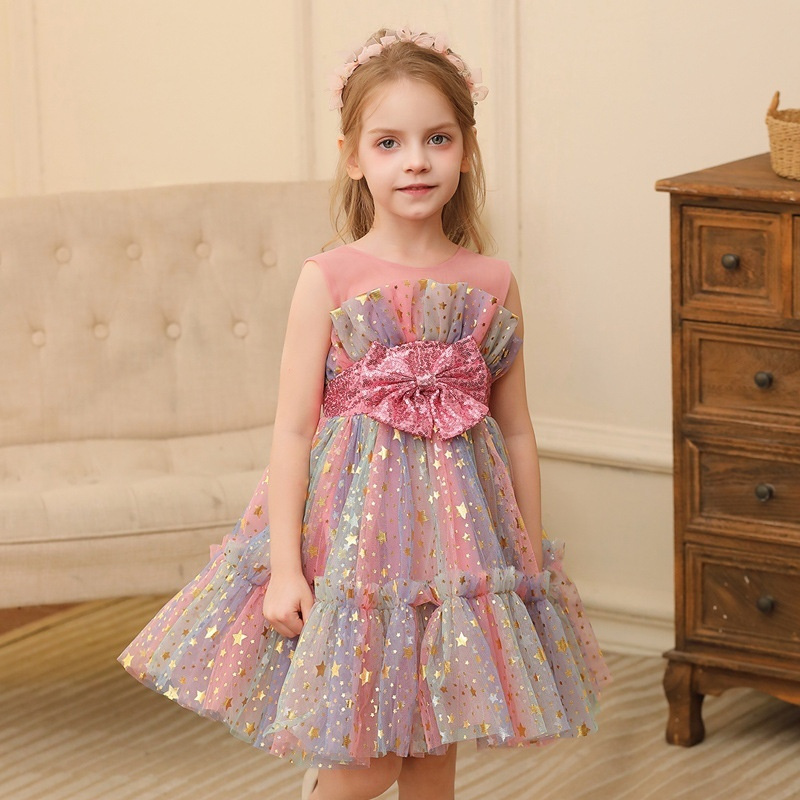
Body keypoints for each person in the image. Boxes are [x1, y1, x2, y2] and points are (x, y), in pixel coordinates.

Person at [119, 27, 611, 800]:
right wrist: (286, 568)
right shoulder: (330, 278)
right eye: (389, 142)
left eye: (437, 139)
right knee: (367, 760)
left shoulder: (492, 282)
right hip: (355, 550)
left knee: (435, 752)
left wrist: (528, 561)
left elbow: (515, 427)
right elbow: (294, 430)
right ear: (354, 157)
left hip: (458, 555)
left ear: (466, 151)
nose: (416, 161)